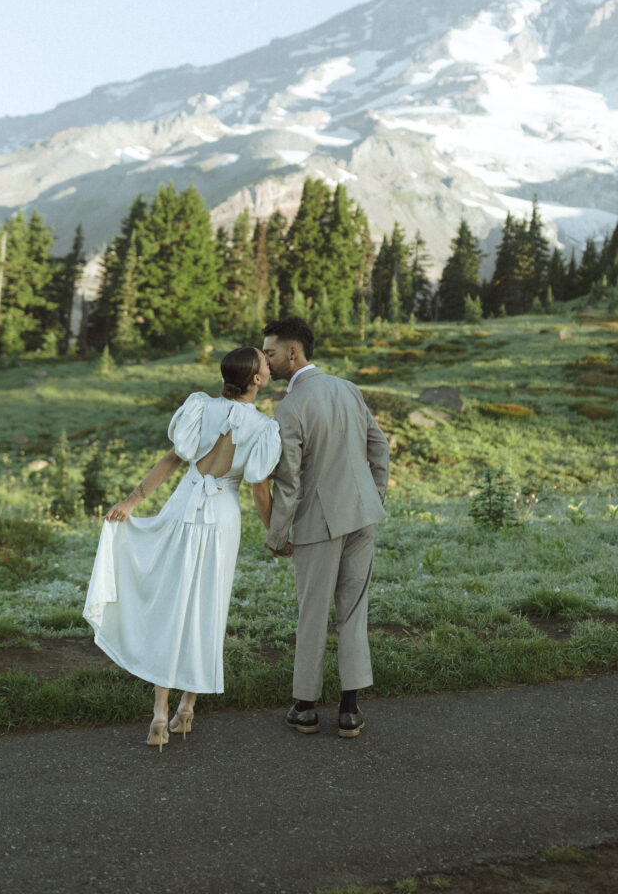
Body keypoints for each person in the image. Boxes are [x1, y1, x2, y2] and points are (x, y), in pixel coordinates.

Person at [83, 347, 280, 750]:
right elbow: (260, 489)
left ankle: (159, 714)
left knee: (173, 605)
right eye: (265, 362)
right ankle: (187, 709)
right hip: (221, 519)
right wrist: (274, 533)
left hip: (182, 506)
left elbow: (173, 459)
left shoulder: (200, 407)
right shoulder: (263, 428)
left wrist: (133, 501)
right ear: (256, 380)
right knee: (208, 607)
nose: (269, 364)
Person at [262, 317, 390, 738]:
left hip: (319, 522)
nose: (267, 359)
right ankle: (350, 710)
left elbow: (288, 480)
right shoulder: (347, 387)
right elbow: (379, 444)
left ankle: (305, 707)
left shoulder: (290, 407)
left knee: (312, 614)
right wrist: (375, 495)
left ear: (293, 352)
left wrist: (277, 534)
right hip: (362, 515)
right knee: (354, 611)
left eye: (271, 352)